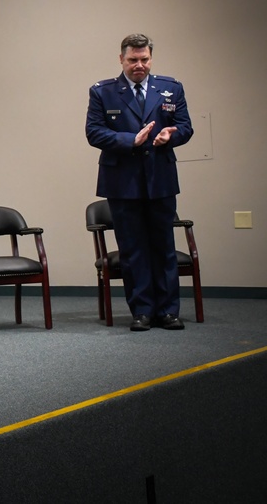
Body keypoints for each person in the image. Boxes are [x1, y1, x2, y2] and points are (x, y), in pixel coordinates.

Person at [86, 33, 193, 331]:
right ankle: (142, 311)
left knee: (164, 247)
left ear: (150, 58)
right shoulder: (102, 92)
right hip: (122, 181)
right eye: (133, 60)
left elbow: (185, 127)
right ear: (121, 59)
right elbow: (94, 132)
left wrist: (171, 135)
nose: (139, 65)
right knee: (133, 250)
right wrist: (129, 139)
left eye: (144, 59)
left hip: (160, 179)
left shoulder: (170, 88)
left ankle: (169, 311)